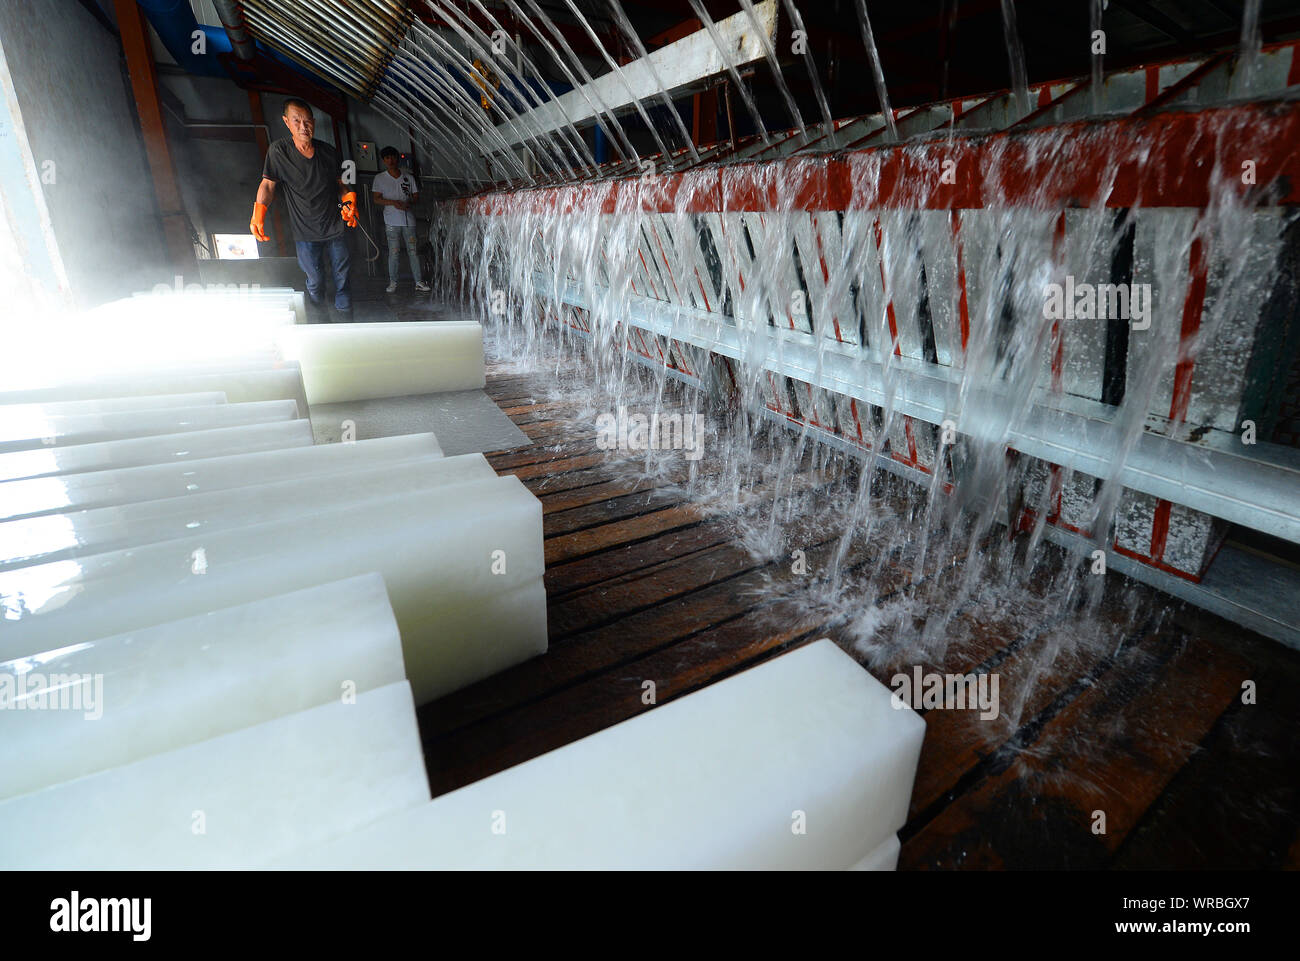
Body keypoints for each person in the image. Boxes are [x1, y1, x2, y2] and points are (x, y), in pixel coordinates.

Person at [249, 98, 357, 321]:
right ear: (286, 122)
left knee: (342, 276)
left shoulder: (328, 152)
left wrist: (349, 201)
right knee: (315, 280)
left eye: (307, 121)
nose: (303, 127)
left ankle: (347, 319)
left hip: (334, 226)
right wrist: (258, 213)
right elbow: (268, 185)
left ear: (314, 123)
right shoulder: (279, 152)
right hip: (305, 231)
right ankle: (320, 316)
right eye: (297, 121)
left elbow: (341, 185)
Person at [372, 146, 430, 294]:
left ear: (397, 158)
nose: (390, 160)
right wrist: (393, 203)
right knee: (394, 252)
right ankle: (393, 282)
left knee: (413, 251)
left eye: (393, 157)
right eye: (387, 158)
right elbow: (376, 199)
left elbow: (416, 196)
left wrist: (409, 203)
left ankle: (418, 282)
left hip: (408, 220)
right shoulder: (380, 178)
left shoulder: (408, 177)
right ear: (383, 160)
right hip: (391, 221)